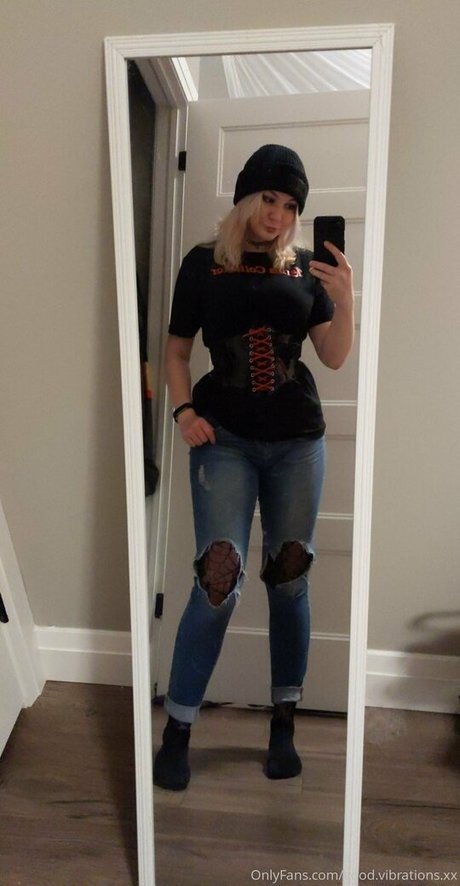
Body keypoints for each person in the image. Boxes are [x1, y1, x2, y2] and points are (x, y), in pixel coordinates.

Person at [153, 144, 354, 791]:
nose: (279, 215)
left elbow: (333, 356)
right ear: (246, 196)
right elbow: (176, 352)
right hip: (225, 440)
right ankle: (178, 728)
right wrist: (183, 410)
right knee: (218, 579)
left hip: (298, 442)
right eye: (269, 198)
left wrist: (345, 298)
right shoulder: (202, 264)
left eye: (291, 206)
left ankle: (283, 724)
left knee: (290, 577)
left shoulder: (304, 269)